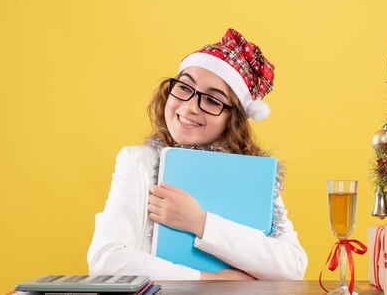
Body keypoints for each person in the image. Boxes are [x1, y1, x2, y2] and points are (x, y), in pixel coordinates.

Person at [87, 28, 307, 281]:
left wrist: (199, 222)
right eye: (184, 87)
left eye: (213, 101)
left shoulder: (252, 176)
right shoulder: (139, 162)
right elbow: (106, 261)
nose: (190, 107)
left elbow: (292, 267)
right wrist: (211, 280)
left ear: (232, 119)